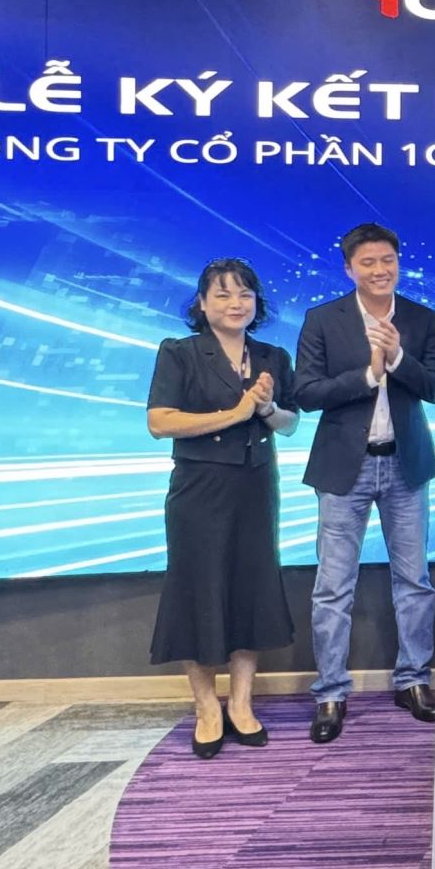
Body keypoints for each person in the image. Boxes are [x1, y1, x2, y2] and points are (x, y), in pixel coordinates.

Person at [295, 222, 435, 743]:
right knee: (333, 585)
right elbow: (306, 392)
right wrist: (367, 375)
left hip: (406, 464)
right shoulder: (323, 319)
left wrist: (399, 358)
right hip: (345, 466)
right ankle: (330, 692)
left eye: (388, 260)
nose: (380, 270)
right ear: (349, 268)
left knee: (415, 581)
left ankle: (413, 681)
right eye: (368, 262)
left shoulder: (421, 318)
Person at [145, 259, 298, 759]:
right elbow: (160, 422)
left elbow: (290, 423)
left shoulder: (272, 355)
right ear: (202, 303)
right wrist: (235, 413)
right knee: (199, 589)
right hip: (199, 488)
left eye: (245, 294)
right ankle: (206, 706)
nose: (236, 303)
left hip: (256, 485)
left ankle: (242, 702)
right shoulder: (180, 352)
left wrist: (267, 408)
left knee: (249, 588)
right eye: (223, 294)